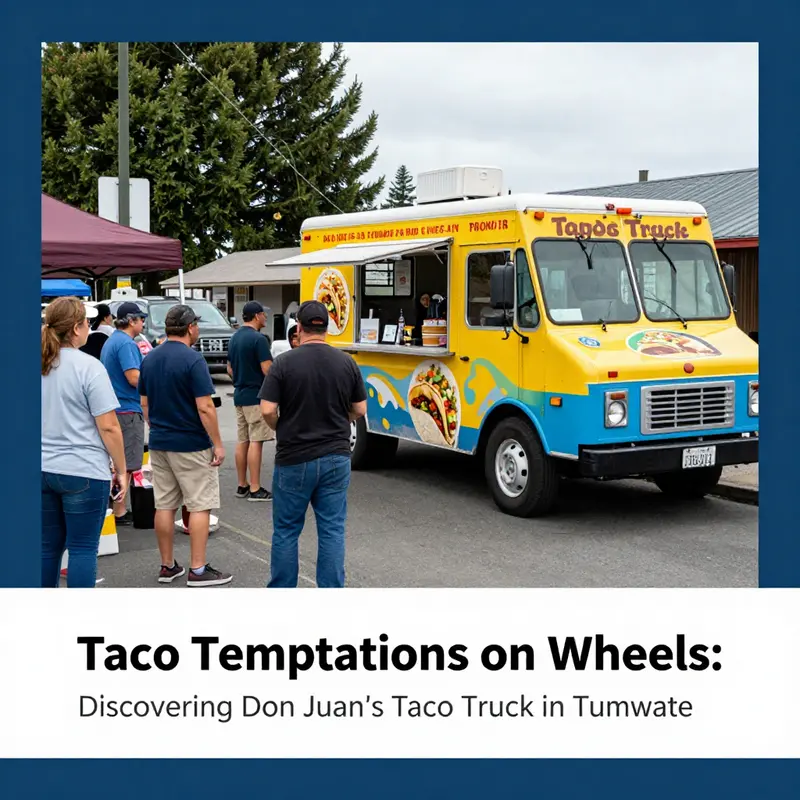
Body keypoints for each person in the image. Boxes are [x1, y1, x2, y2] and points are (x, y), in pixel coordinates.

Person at [258, 300, 367, 588]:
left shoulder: (283, 363)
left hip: (293, 455)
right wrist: (341, 418)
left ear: (299, 328)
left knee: (286, 530)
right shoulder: (346, 362)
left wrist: (281, 426)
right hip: (336, 456)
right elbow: (360, 409)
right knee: (332, 529)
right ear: (326, 328)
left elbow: (267, 409)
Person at [138, 304, 231, 587]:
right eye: (197, 325)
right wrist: (217, 443)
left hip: (160, 442)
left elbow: (144, 403)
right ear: (190, 327)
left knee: (164, 504)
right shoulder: (193, 360)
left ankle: (167, 566)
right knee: (200, 504)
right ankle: (199, 570)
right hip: (190, 442)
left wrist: (156, 426)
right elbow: (205, 406)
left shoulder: (150, 358)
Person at [41, 297, 128, 588]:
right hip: (83, 469)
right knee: (82, 548)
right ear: (77, 328)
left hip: (40, 467)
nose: (89, 328)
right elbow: (108, 425)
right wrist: (121, 469)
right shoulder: (89, 367)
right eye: (87, 323)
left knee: (46, 547)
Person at [100, 301, 147, 526]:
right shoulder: (127, 344)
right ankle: (120, 510)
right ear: (131, 321)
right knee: (127, 464)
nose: (144, 323)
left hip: (113, 407)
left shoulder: (111, 341)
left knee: (115, 462)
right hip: (127, 409)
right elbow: (133, 377)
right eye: (141, 319)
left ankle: (114, 505)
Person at [226, 300, 274, 502]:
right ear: (256, 316)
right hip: (256, 396)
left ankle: (242, 484)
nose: (266, 317)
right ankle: (255, 488)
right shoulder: (259, 339)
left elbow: (229, 368)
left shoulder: (234, 338)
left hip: (239, 395)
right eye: (263, 314)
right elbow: (267, 370)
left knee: (243, 440)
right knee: (257, 441)